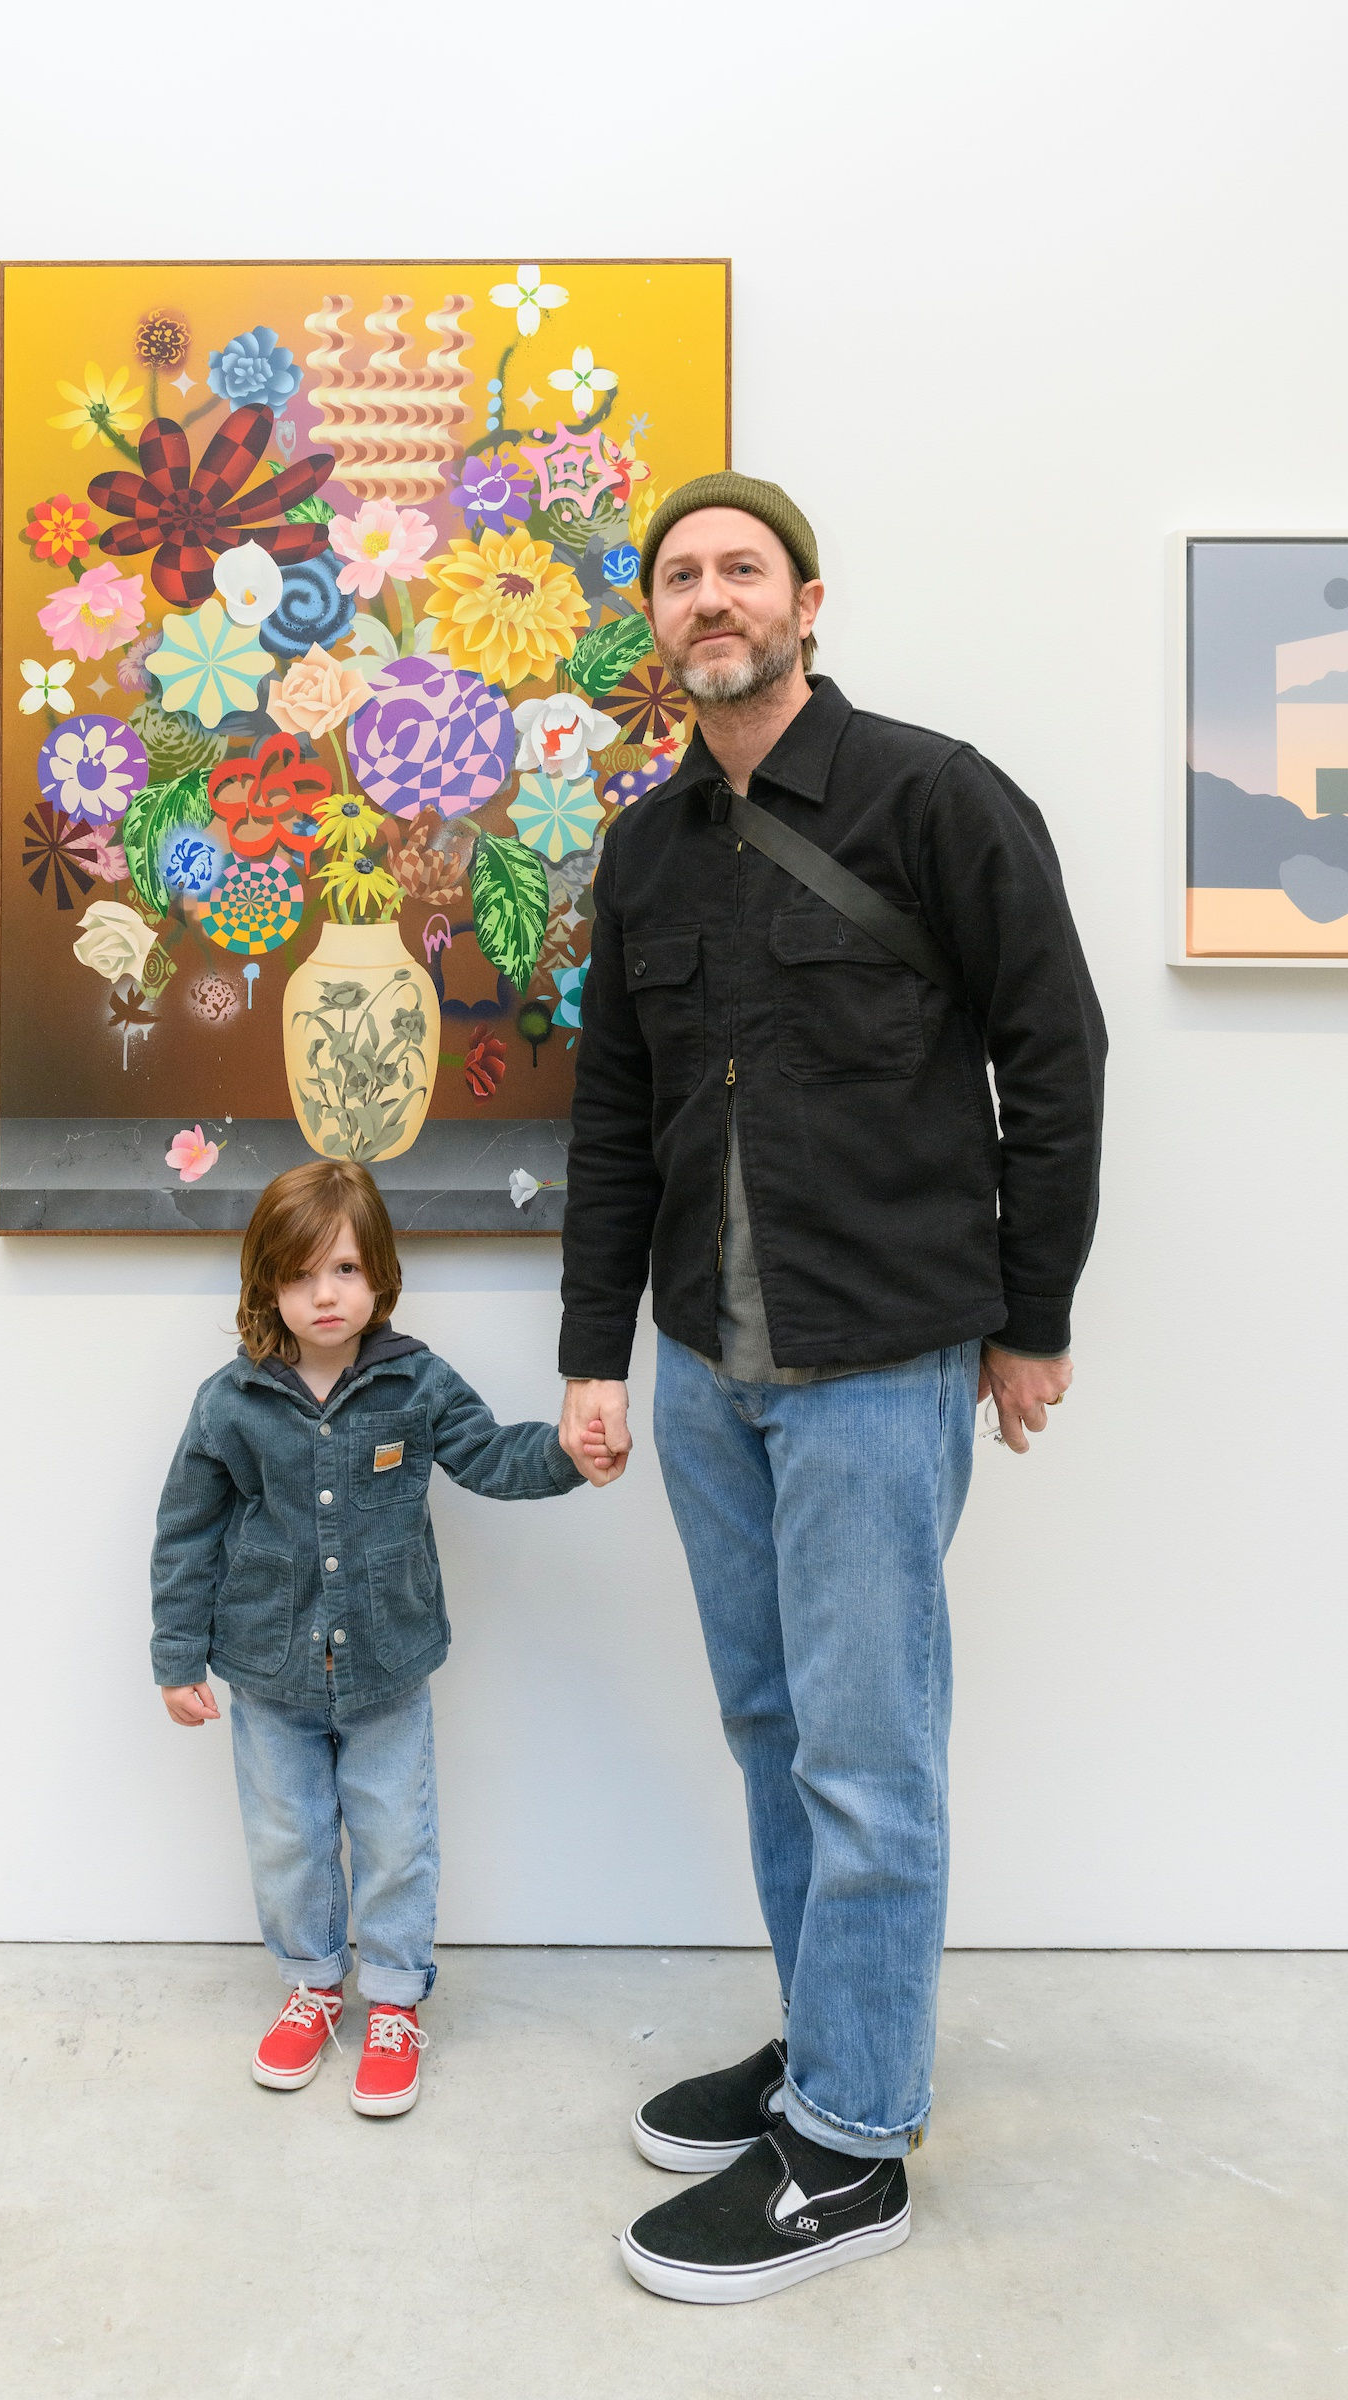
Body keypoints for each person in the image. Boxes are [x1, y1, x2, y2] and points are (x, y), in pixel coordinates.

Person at [558, 471, 1106, 2302]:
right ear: (657, 626)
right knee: (776, 1734)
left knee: (871, 1756)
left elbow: (1058, 1053)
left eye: (742, 572)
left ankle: (855, 2147)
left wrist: (1032, 1320)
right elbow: (617, 1125)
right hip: (708, 1368)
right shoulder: (644, 854)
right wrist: (592, 1359)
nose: (712, 599)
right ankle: (829, 2048)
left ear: (809, 603)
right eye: (681, 578)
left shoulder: (936, 797)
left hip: (884, 1364)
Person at [152, 1160, 602, 2118]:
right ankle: (313, 1987)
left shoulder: (416, 1384)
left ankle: (394, 2002)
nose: (326, 1293)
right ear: (267, 1282)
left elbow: (489, 1455)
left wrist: (567, 1454)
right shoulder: (228, 1404)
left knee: (397, 1838)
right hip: (268, 1673)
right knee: (288, 1839)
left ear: (381, 1279)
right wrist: (175, 1656)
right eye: (304, 1273)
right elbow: (185, 1534)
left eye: (347, 1269)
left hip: (390, 1667)